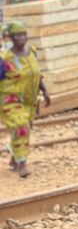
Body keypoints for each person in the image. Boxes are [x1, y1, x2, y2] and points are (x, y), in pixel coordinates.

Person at [0, 21, 50, 178]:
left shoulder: (32, 52)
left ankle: (14, 158)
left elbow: (36, 73)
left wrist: (45, 90)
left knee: (24, 128)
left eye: (23, 34)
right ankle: (22, 164)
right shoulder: (4, 58)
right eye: (17, 35)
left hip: (30, 99)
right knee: (22, 126)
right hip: (10, 99)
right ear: (10, 38)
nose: (21, 38)